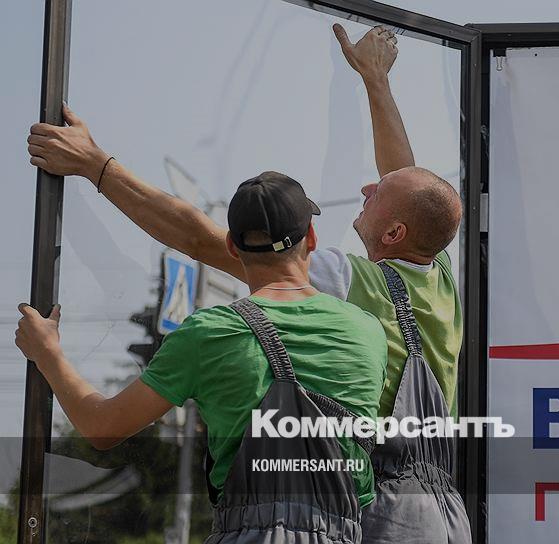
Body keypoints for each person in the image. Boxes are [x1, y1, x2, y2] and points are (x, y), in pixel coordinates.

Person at [28, 23, 472, 543]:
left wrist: (96, 165)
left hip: (383, 514)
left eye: (377, 195)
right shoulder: (438, 277)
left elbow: (198, 238)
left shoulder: (348, 281)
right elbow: (412, 185)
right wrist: (376, 81)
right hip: (445, 513)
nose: (366, 186)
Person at [15, 172, 388, 543]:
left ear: (231, 247)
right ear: (312, 238)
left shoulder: (208, 333)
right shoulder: (368, 332)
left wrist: (48, 353)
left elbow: (102, 427)